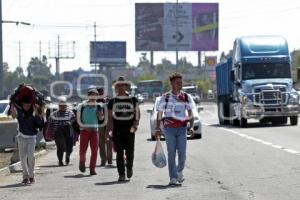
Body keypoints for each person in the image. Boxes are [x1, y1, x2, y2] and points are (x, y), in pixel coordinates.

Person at [155, 72, 195, 186]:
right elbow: (160, 113)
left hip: (182, 129)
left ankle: (179, 171)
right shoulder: (165, 97)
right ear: (172, 83)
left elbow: (190, 113)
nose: (180, 84)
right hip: (169, 129)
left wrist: (190, 126)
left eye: (181, 82)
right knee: (171, 153)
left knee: (182, 154)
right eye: (178, 82)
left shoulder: (186, 97)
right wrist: (158, 128)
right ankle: (173, 177)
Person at [106, 76, 140, 182]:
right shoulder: (112, 101)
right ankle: (121, 174)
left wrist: (135, 125)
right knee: (119, 153)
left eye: (122, 85)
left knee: (130, 152)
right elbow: (110, 119)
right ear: (116, 87)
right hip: (117, 131)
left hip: (130, 130)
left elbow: (137, 114)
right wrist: (108, 131)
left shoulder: (133, 100)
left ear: (126, 86)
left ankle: (129, 166)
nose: (120, 87)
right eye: (118, 85)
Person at [11, 96, 44, 185]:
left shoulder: (33, 111)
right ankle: (25, 176)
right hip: (21, 136)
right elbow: (13, 116)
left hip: (31, 137)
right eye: (25, 105)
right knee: (22, 157)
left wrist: (36, 111)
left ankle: (31, 176)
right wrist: (12, 105)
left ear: (31, 105)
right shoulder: (20, 111)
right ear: (22, 105)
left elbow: (39, 123)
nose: (27, 107)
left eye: (28, 105)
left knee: (31, 156)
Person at [77, 88, 103, 175]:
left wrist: (100, 115)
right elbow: (78, 119)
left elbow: (101, 119)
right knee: (83, 150)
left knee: (95, 151)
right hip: (84, 130)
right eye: (92, 95)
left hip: (94, 131)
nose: (94, 97)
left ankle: (92, 169)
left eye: (96, 95)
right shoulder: (82, 106)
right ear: (88, 96)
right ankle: (82, 162)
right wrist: (85, 127)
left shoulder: (99, 106)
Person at [48, 96, 75, 166]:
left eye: (64, 105)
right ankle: (60, 161)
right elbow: (50, 120)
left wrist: (70, 122)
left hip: (68, 133)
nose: (62, 107)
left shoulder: (70, 113)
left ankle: (67, 155)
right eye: (61, 105)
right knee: (59, 147)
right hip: (58, 134)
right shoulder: (54, 114)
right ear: (59, 106)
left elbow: (74, 120)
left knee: (70, 147)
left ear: (66, 105)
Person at [97, 87, 113, 166]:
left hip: (108, 123)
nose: (100, 94)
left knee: (109, 141)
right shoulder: (94, 102)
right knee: (101, 143)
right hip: (99, 124)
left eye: (101, 92)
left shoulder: (109, 100)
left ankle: (109, 159)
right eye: (99, 93)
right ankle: (103, 159)